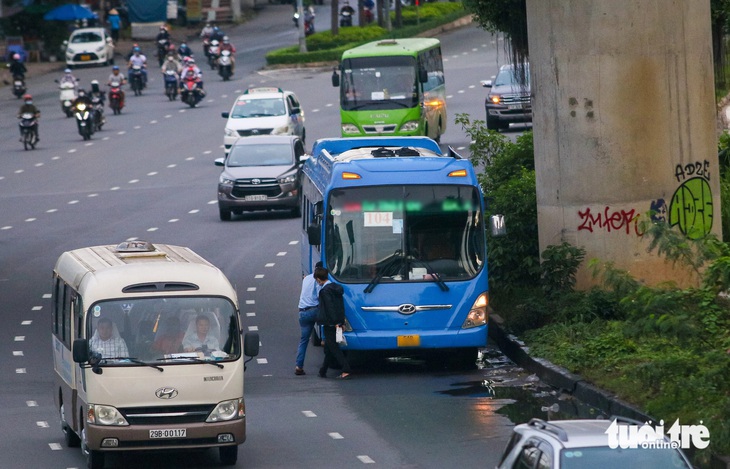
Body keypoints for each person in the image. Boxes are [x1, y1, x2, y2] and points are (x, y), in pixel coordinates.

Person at [315, 267, 351, 379]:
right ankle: (323, 371)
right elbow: (340, 306)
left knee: (333, 348)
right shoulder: (337, 288)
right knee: (329, 348)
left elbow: (329, 308)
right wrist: (341, 321)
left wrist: (335, 322)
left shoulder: (325, 291)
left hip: (330, 323)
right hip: (338, 321)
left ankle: (346, 369)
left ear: (318, 279)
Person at [295, 261, 323, 375]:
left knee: (304, 340)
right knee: (329, 323)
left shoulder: (306, 278)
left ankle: (299, 366)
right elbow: (320, 296)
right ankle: (324, 339)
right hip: (314, 310)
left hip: (302, 311)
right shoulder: (318, 280)